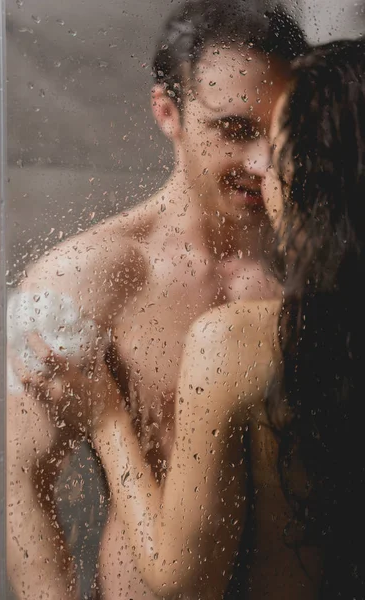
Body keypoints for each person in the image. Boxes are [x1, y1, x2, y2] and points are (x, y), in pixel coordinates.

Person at [6, 2, 308, 599]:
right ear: (167, 111)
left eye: (279, 131)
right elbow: (22, 486)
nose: (262, 162)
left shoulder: (318, 267)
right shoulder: (86, 278)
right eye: (235, 129)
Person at [64, 39, 365, 598]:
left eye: (274, 147)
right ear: (167, 112)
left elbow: (183, 584)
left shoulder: (240, 341)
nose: (258, 167)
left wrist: (105, 417)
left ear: (307, 175)